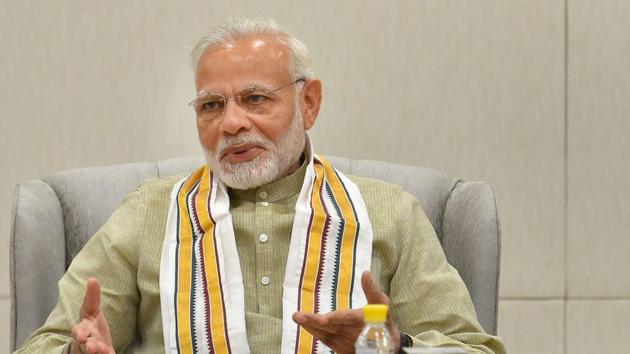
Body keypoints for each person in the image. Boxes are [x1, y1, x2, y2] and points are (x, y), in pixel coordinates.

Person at [15, 18, 506, 354]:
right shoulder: (148, 213)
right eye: (211, 106)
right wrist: (78, 349)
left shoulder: (389, 212)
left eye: (255, 99)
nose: (231, 123)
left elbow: (472, 347)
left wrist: (395, 347)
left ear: (308, 103)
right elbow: (47, 342)